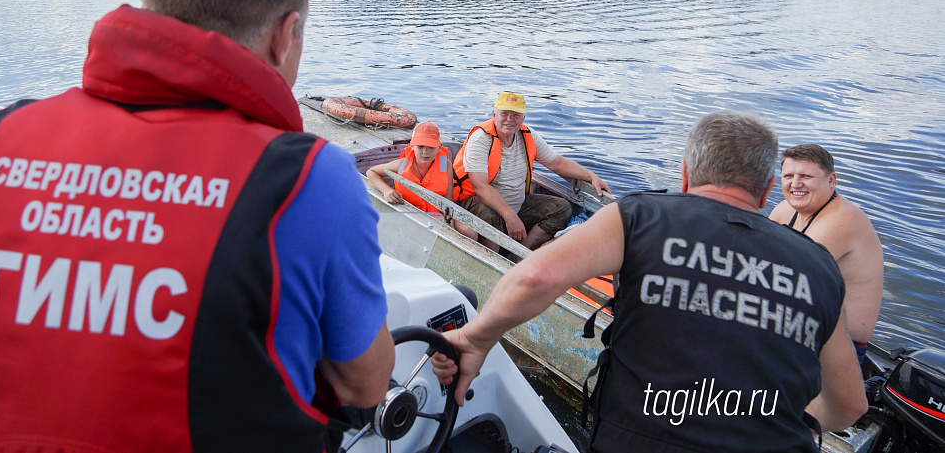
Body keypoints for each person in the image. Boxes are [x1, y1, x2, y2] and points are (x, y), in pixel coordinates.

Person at [0, 0, 394, 453]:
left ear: (154, 8)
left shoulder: (7, 131)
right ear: (286, 36)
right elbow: (364, 384)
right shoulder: (307, 177)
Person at [434, 110, 867, 452]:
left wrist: (475, 338)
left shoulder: (638, 216)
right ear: (770, 187)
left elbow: (535, 276)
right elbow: (850, 405)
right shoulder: (819, 266)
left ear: (683, 173)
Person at [452, 91, 611, 252]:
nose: (509, 119)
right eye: (504, 113)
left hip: (517, 206)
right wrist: (510, 217)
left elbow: (557, 163)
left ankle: (520, 255)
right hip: (479, 205)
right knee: (489, 213)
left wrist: (591, 176)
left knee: (561, 208)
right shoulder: (481, 139)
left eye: (515, 115)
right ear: (494, 114)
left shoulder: (528, 135)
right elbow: (480, 187)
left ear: (523, 118)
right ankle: (492, 258)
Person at [770, 144, 884, 362]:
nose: (795, 184)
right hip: (800, 332)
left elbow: (784, 278)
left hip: (839, 348)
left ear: (831, 180)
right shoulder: (786, 209)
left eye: (806, 176)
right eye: (788, 176)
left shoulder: (843, 219)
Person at [366, 121, 477, 240]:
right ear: (412, 146)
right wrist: (386, 190)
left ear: (439, 147)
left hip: (438, 217)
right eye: (420, 146)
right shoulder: (401, 164)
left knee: (469, 231)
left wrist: (449, 223)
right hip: (411, 218)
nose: (425, 152)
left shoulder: (446, 165)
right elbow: (371, 172)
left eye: (431, 147)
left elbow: (449, 202)